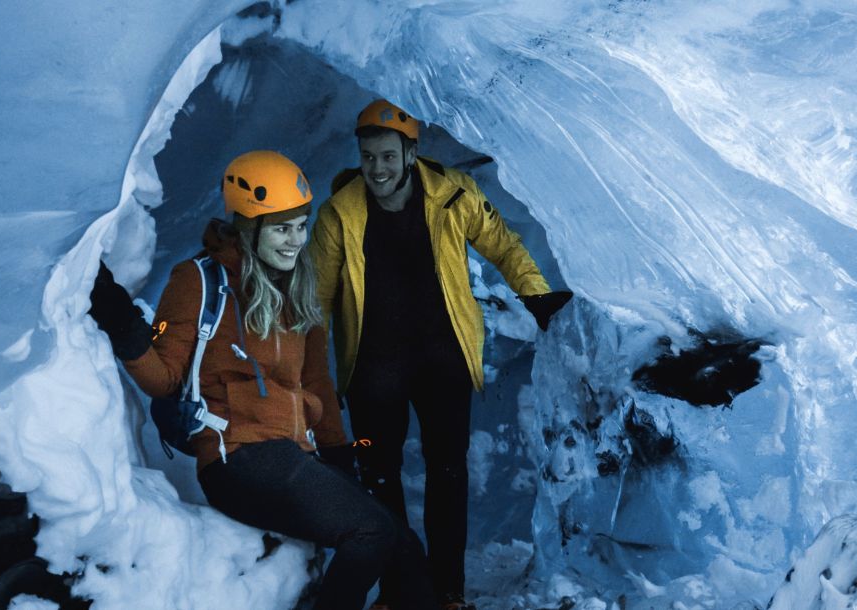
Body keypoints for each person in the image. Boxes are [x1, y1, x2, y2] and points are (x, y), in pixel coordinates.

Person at [87, 150, 437, 610]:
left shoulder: (300, 289)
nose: (295, 240)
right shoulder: (198, 280)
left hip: (294, 454)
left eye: (300, 225)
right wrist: (123, 322)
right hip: (238, 459)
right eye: (280, 228)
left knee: (403, 547)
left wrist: (338, 462)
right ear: (249, 227)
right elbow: (164, 377)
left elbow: (316, 385)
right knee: (371, 533)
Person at [310, 100, 573, 610]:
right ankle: (398, 589)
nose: (378, 169)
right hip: (372, 370)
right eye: (369, 158)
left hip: (442, 361)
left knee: (448, 474)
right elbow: (317, 298)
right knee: (379, 478)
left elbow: (504, 245)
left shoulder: (454, 194)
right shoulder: (338, 214)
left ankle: (447, 590)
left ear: (411, 153)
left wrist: (537, 296)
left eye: (388, 156)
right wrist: (304, 368)